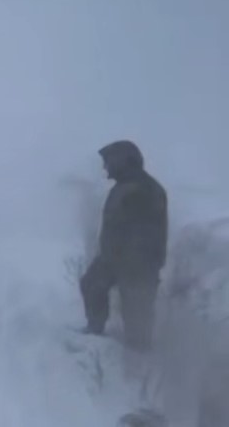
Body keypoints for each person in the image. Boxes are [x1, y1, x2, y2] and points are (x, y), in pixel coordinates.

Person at [80, 140, 168, 351]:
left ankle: (139, 360)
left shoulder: (144, 189)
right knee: (91, 283)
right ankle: (95, 330)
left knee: (137, 315)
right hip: (114, 259)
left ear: (122, 161)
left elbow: (144, 231)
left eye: (108, 161)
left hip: (139, 264)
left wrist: (135, 261)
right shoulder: (125, 188)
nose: (105, 167)